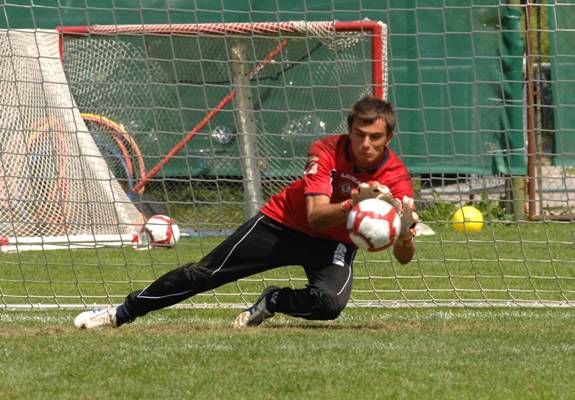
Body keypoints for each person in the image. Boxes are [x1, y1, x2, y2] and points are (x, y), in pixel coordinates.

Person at [74, 96, 419, 330]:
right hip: (282, 224)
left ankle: (274, 300)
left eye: (375, 137)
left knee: (329, 305)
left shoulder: (397, 179)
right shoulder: (327, 149)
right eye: (359, 135)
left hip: (333, 245)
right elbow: (315, 215)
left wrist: (403, 232)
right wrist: (353, 203)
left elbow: (404, 258)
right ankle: (122, 312)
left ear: (388, 137)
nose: (366, 144)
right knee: (205, 274)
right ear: (349, 131)